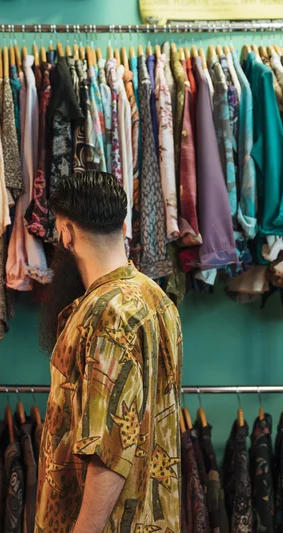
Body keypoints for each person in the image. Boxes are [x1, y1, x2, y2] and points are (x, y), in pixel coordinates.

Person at [35, 171, 182, 533]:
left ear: (66, 233)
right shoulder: (158, 299)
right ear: (121, 224)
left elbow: (108, 451)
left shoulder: (107, 312)